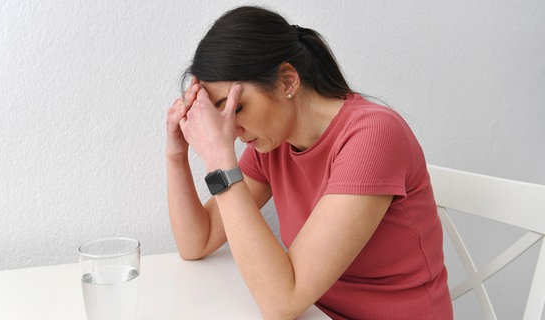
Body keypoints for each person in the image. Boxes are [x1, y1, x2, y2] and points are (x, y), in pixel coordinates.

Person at [166, 6, 453, 320]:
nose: (230, 132)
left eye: (237, 108)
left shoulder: (372, 136)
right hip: (317, 313)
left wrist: (219, 160)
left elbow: (281, 303)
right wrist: (176, 155)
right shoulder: (274, 143)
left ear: (288, 80)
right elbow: (197, 241)